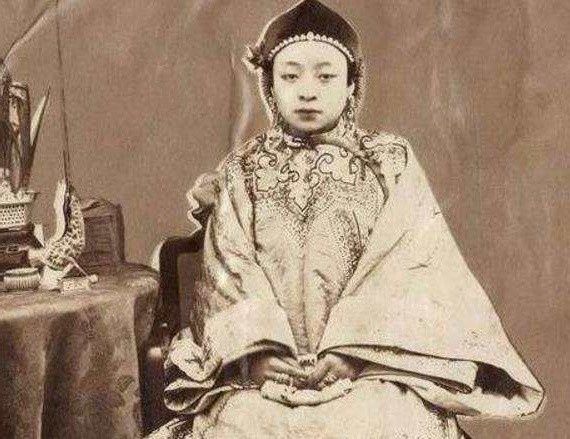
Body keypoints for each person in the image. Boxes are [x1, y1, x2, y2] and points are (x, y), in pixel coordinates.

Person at [149, 1, 544, 437]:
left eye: (326, 76)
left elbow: (409, 266)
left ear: (352, 84)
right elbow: (230, 267)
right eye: (291, 76)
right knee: (249, 425)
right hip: (263, 378)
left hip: (372, 371)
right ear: (270, 86)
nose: (308, 91)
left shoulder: (389, 163)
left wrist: (353, 354)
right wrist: (257, 356)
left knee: (375, 422)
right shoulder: (242, 171)